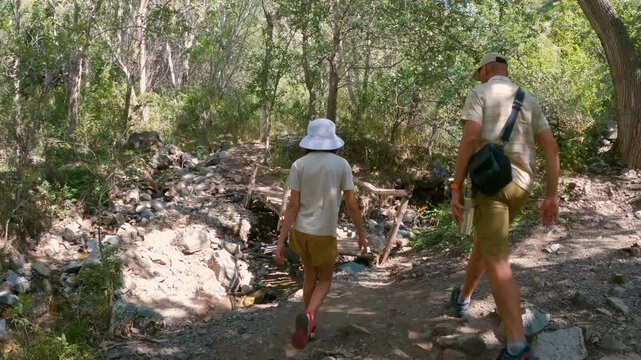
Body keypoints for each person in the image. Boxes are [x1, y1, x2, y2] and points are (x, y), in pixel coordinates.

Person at [449, 53, 560, 360]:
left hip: (492, 184)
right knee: (486, 243)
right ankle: (463, 299)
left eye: (480, 73)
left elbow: (470, 138)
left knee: (498, 260)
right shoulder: (529, 99)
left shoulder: (479, 93)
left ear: (485, 70)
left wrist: (456, 187)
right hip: (521, 187)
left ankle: (517, 347)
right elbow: (551, 147)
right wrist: (552, 194)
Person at [275, 118, 368, 350]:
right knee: (325, 279)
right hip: (324, 234)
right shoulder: (342, 165)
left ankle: (310, 326)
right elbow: (352, 205)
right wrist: (361, 234)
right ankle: (308, 317)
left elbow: (293, 206)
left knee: (309, 276)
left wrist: (280, 240)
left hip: (301, 232)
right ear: (332, 141)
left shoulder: (299, 164)